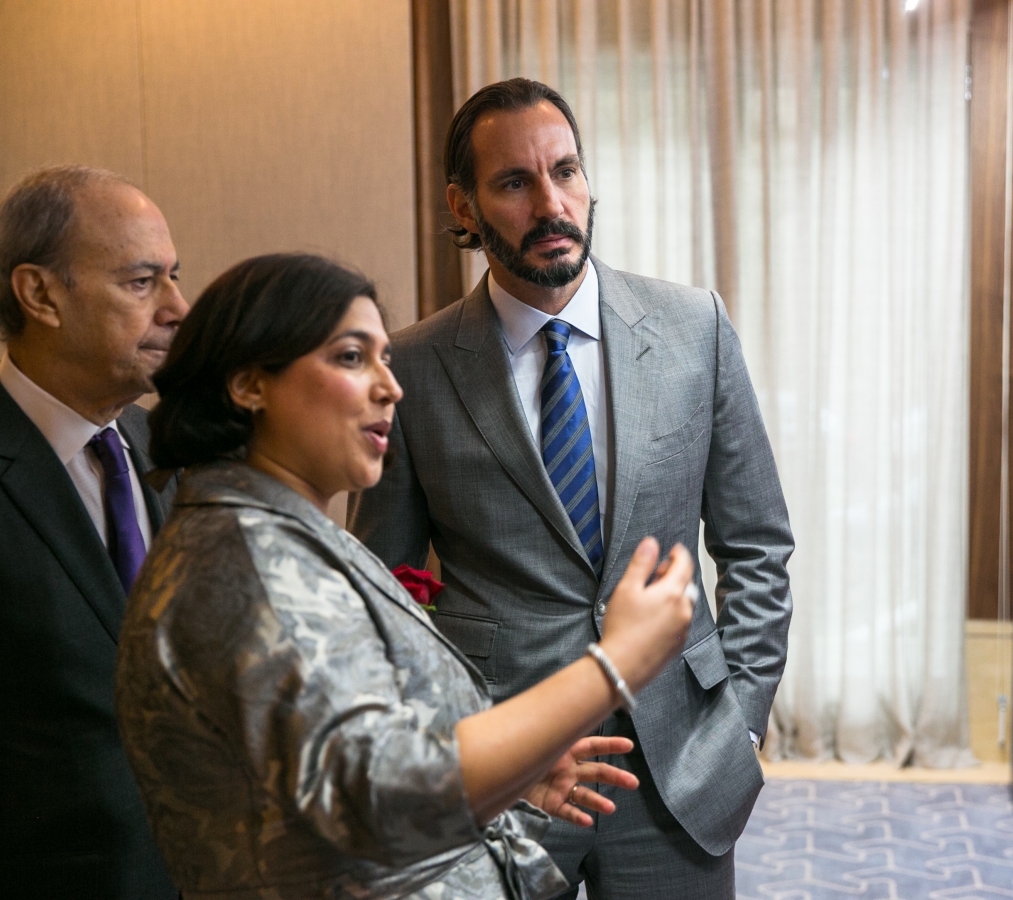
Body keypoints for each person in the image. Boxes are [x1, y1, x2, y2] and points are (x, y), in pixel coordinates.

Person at [115, 252, 697, 900]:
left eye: (386, 359)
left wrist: (506, 778)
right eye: (350, 357)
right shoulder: (248, 564)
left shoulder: (292, 536)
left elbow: (351, 752)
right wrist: (612, 666)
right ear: (249, 383)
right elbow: (377, 798)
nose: (391, 387)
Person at [349, 77, 794, 900]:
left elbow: (758, 543)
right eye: (514, 183)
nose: (551, 203)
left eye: (566, 171)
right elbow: (384, 591)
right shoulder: (410, 366)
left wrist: (742, 719)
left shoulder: (695, 328)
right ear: (465, 204)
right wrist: (454, 745)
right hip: (508, 770)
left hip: (679, 763)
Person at [0, 165, 186, 899]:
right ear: (40, 293)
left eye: (174, 277)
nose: (177, 307)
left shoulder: (175, 451)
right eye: (142, 283)